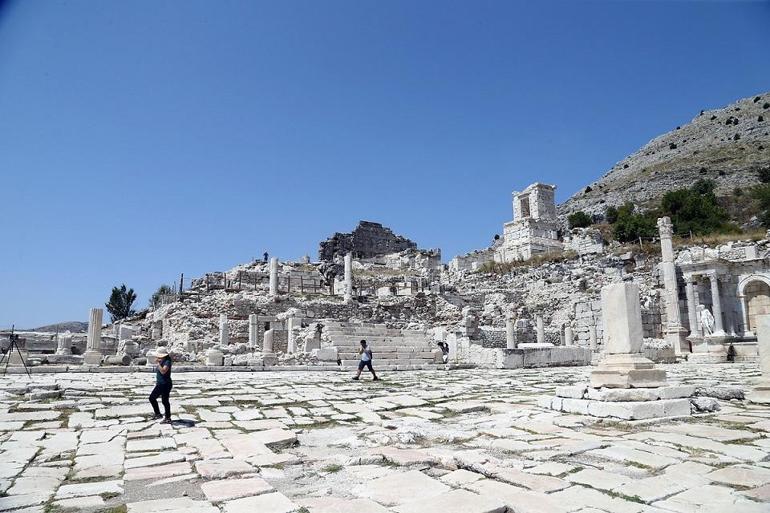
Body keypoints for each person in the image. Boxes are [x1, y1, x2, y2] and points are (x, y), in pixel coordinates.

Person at [149, 349, 173, 423]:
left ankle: (162, 416)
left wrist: (158, 364)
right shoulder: (163, 361)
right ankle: (165, 416)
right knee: (165, 401)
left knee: (152, 398)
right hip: (161, 383)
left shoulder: (167, 361)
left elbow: (163, 371)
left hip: (164, 384)